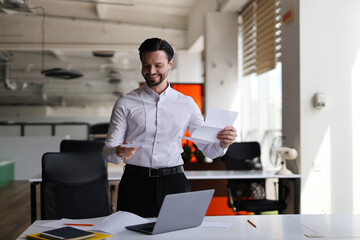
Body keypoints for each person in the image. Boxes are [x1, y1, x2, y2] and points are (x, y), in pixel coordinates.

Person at [103, 37, 237, 217]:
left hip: (174, 183)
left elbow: (209, 150)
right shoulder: (126, 102)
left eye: (158, 65)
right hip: (135, 182)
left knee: (176, 235)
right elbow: (107, 151)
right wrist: (118, 152)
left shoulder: (187, 103)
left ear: (170, 64)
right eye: (146, 65)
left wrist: (223, 144)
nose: (151, 71)